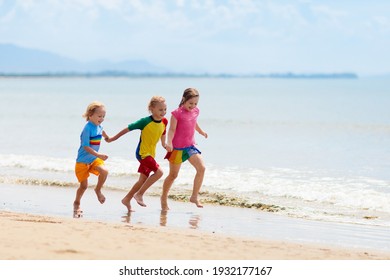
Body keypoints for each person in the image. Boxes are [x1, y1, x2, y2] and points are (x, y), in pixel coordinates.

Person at [106, 96, 168, 212]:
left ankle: (127, 199)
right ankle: (139, 194)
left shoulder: (164, 121)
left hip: (151, 154)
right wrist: (112, 139)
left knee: (142, 180)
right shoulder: (144, 121)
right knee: (159, 173)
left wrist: (165, 145)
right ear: (152, 109)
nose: (163, 112)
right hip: (143, 154)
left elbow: (163, 133)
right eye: (160, 110)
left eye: (165, 109)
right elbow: (127, 129)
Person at [161, 88, 208, 211]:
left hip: (190, 146)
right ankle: (164, 198)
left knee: (201, 168)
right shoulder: (176, 114)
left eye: (195, 103)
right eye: (190, 103)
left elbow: (194, 123)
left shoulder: (196, 111)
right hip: (176, 148)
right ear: (183, 100)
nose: (193, 106)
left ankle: (194, 196)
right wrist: (169, 143)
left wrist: (201, 132)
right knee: (173, 175)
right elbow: (171, 130)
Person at [74, 101, 109, 218]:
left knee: (104, 171)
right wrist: (98, 155)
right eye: (99, 116)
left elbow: (102, 130)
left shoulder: (99, 125)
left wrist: (107, 137)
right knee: (83, 186)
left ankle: (98, 190)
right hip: (82, 161)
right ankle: (77, 202)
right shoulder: (87, 128)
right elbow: (85, 146)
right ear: (90, 115)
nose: (102, 118)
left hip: (94, 159)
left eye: (103, 116)